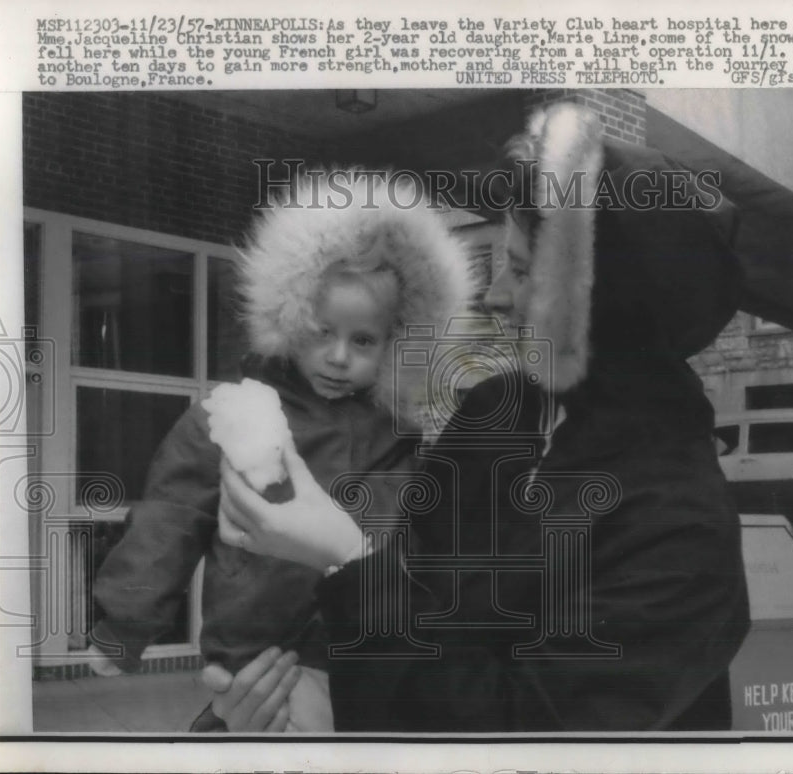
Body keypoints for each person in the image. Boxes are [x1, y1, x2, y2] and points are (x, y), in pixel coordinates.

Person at [205, 103, 751, 732]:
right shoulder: (501, 413)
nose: (494, 296)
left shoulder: (682, 532)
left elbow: (524, 731)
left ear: (606, 304)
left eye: (521, 271)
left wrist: (346, 553)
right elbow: (421, 616)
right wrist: (304, 694)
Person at [85, 171, 472, 731]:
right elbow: (168, 520)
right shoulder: (238, 418)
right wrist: (123, 624)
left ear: (394, 342)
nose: (340, 357)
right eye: (322, 331)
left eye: (363, 340)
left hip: (363, 655)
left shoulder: (402, 439)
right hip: (254, 651)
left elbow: (431, 544)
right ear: (289, 321)